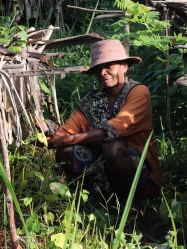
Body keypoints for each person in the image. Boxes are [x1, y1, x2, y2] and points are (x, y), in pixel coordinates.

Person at [47, 39, 163, 210]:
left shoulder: (138, 92)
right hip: (103, 171)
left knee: (112, 147)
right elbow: (66, 131)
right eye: (98, 69)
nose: (103, 72)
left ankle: (134, 204)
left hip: (140, 174)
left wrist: (69, 139)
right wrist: (50, 135)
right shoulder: (91, 100)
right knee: (65, 152)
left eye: (109, 65)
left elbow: (116, 127)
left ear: (124, 66)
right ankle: (91, 201)